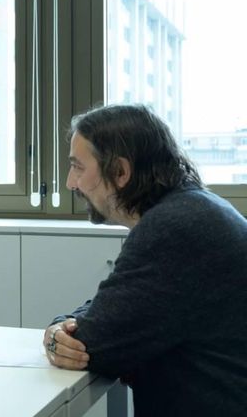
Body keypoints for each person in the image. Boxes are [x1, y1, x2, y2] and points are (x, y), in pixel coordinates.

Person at [44, 105, 247, 415]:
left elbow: (94, 345)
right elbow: (119, 305)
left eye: (78, 167)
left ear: (120, 172)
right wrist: (64, 324)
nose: (72, 183)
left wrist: (60, 333)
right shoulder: (194, 207)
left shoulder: (172, 229)